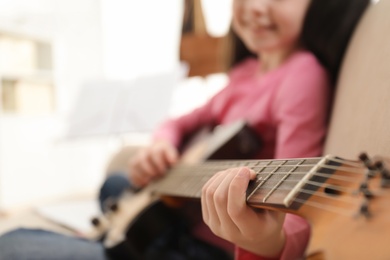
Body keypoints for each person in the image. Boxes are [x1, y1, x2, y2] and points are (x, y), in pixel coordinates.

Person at [0, 0, 370, 259]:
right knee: (115, 183)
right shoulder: (243, 75)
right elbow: (179, 122)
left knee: (12, 245)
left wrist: (268, 242)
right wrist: (162, 144)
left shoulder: (302, 76)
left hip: (203, 247)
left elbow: (300, 211)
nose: (257, 6)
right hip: (181, 216)